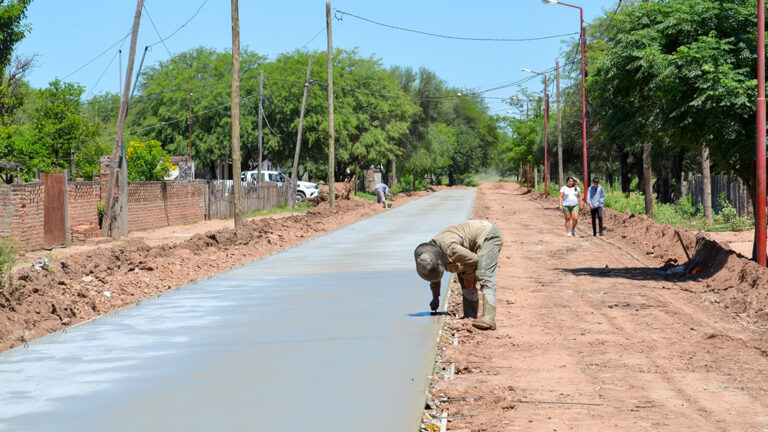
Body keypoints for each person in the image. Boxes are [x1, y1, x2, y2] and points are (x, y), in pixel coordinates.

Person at [414, 220, 503, 330]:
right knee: (462, 273)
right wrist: (435, 297)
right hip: (468, 246)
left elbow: (474, 260)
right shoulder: (429, 252)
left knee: (485, 274)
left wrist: (469, 278)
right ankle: (470, 316)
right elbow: (434, 274)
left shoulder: (449, 249)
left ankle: (489, 319)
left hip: (488, 236)